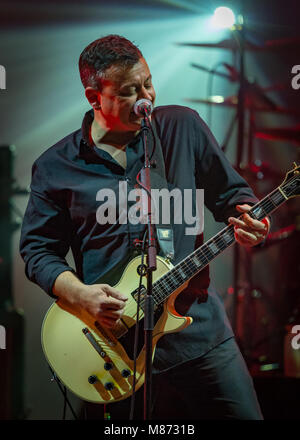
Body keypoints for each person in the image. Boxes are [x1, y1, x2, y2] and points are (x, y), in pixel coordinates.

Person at [20, 34, 270, 420]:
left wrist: (249, 215)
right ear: (94, 97)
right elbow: (38, 252)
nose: (146, 98)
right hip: (111, 345)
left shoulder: (181, 127)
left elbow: (231, 194)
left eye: (148, 83)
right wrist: (80, 294)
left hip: (199, 335)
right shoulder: (56, 167)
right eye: (129, 91)